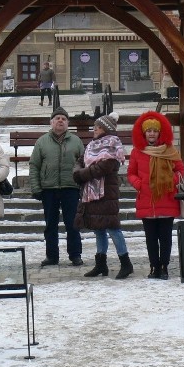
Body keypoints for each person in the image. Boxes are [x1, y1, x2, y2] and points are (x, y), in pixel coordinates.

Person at [127, 110, 184, 280]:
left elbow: (180, 170)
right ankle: (154, 266)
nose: (152, 134)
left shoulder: (170, 150)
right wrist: (139, 184)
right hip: (147, 200)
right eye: (149, 131)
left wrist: (169, 180)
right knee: (151, 238)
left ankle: (164, 266)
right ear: (144, 133)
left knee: (165, 237)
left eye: (155, 130)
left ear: (160, 132)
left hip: (166, 198)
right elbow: (131, 173)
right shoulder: (137, 152)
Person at [76, 112, 132, 279]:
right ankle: (101, 264)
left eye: (98, 127)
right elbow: (79, 162)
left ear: (106, 128)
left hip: (106, 192)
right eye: (94, 126)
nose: (95, 129)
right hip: (92, 193)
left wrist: (82, 174)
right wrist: (78, 172)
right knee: (98, 228)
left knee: (113, 228)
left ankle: (126, 263)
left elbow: (105, 167)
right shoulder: (92, 145)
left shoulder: (113, 145)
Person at [29, 107, 85, 267]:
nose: (60, 121)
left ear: (68, 123)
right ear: (51, 122)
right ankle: (51, 256)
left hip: (71, 188)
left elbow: (83, 164)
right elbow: (34, 165)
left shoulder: (76, 141)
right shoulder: (42, 142)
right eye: (57, 118)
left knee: (72, 224)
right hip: (49, 189)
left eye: (63, 119)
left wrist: (82, 186)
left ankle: (75, 255)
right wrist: (36, 187)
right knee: (50, 225)